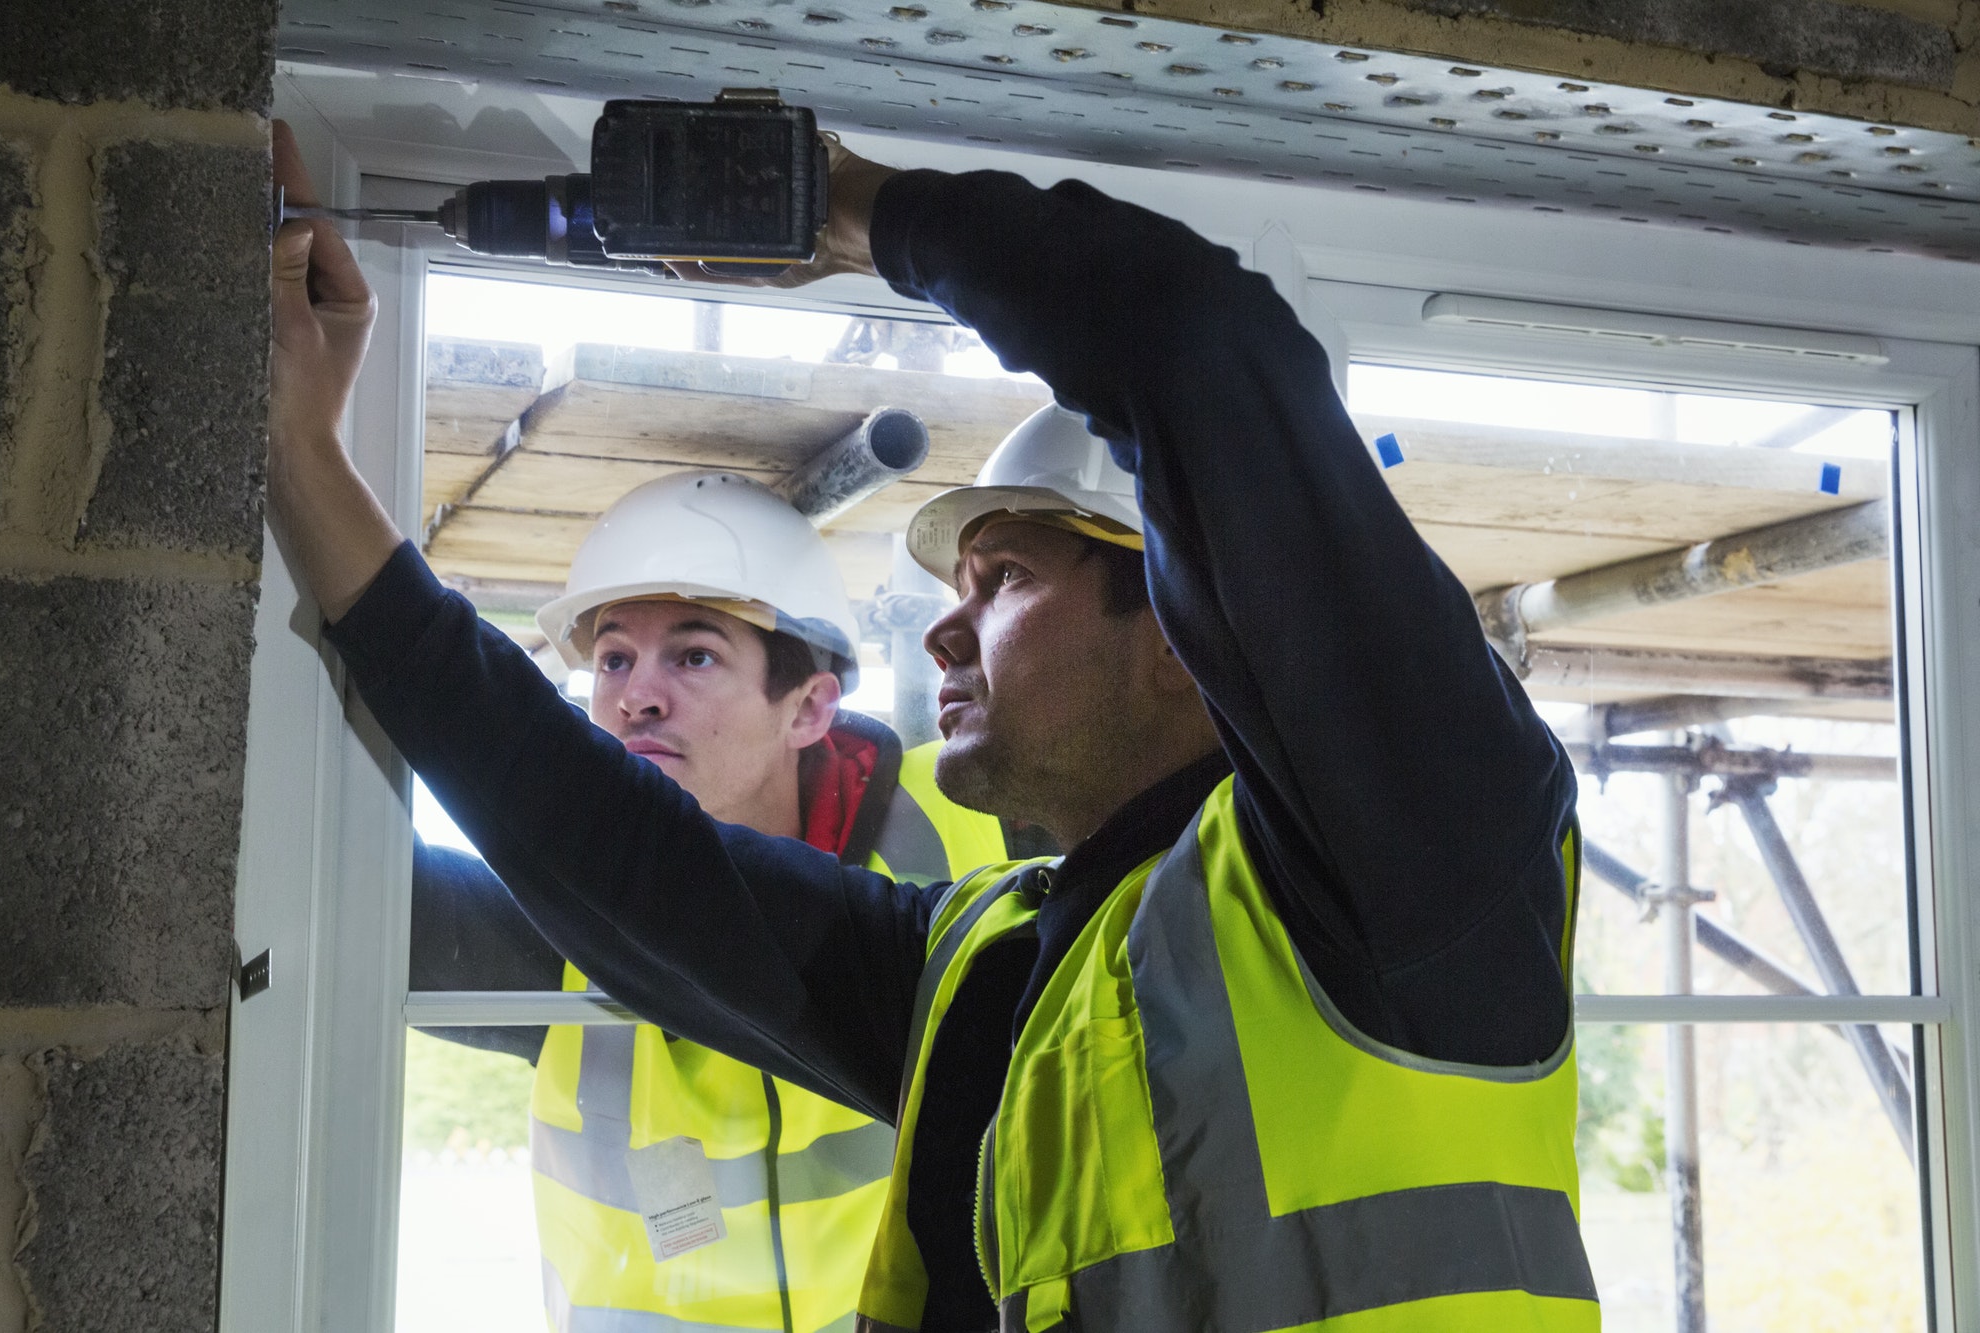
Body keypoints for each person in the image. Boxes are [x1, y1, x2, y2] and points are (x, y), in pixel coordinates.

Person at [271, 114, 1596, 1333]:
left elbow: (1195, 342)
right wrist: (307, 468)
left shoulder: (1413, 864)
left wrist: (841, 209)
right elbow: (611, 847)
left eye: (1007, 579)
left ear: (1193, 631)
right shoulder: (989, 962)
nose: (948, 632)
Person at [404, 469, 1010, 1332]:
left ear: (809, 708)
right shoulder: (551, 919)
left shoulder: (972, 831)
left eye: (694, 655)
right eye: (613, 658)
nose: (635, 695)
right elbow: (334, 888)